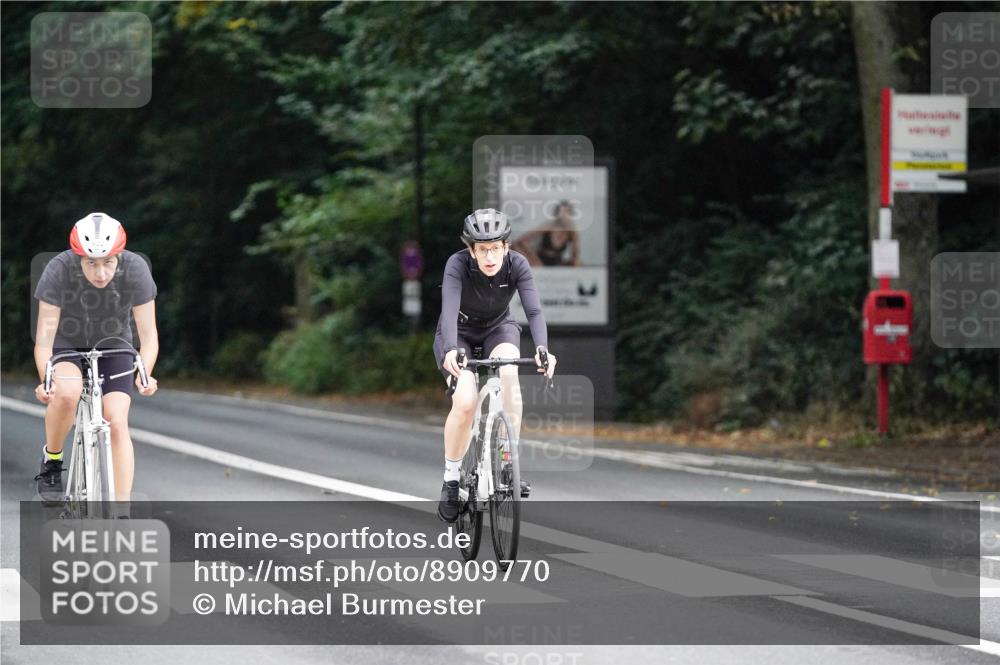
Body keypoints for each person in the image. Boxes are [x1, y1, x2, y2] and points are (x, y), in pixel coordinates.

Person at [432, 208, 556, 522]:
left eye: (497, 248)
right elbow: (448, 312)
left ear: (506, 246)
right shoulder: (457, 265)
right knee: (465, 402)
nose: (491, 256)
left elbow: (535, 312)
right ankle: (450, 478)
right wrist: (449, 349)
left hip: (498, 328)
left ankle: (507, 460)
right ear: (471, 250)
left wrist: (542, 348)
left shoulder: (517, 265)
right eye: (483, 249)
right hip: (457, 332)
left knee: (509, 373)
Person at [33, 212, 159, 502]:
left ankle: (121, 510)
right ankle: (52, 459)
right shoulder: (58, 269)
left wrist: (145, 373)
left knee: (116, 420)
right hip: (67, 341)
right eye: (91, 263)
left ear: (119, 256)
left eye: (108, 263)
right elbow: (44, 340)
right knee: (67, 393)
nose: (101, 273)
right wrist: (46, 380)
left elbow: (149, 336)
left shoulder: (136, 269)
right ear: (79, 258)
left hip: (115, 343)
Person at [510, 200, 582, 267]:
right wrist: (534, 258)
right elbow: (521, 240)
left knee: (578, 263)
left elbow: (575, 255)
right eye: (562, 213)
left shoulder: (571, 232)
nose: (564, 216)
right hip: (540, 260)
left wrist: (575, 235)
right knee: (515, 245)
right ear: (557, 214)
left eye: (567, 212)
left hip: (557, 261)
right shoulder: (549, 226)